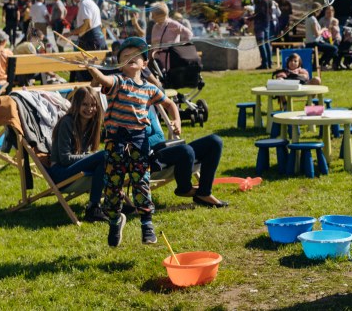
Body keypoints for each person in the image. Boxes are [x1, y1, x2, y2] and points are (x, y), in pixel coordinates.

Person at [84, 37, 180, 247]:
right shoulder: (118, 81)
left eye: (135, 56)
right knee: (112, 187)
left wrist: (176, 120)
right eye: (124, 57)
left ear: (144, 63)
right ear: (119, 64)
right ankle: (114, 220)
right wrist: (92, 68)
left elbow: (171, 104)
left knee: (141, 183)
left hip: (139, 142)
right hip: (115, 143)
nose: (129, 58)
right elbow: (104, 80)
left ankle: (147, 225)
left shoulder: (150, 89)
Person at [145, 107, 227, 207]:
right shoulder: (123, 107)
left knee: (215, 141)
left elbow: (169, 103)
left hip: (165, 148)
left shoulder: (147, 94)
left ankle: (204, 193)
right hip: (147, 157)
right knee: (186, 150)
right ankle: (185, 189)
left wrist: (177, 120)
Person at [50, 87, 109, 223]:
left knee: (102, 162)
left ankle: (95, 207)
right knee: (104, 155)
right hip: (60, 173)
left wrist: (92, 156)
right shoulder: (67, 123)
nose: (90, 109)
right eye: (85, 104)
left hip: (74, 168)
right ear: (76, 105)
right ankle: (108, 201)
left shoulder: (91, 124)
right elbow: (65, 159)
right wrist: (91, 156)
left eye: (93, 105)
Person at [65, 0, 106, 81]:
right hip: (96, 39)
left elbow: (88, 25)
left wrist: (71, 33)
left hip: (91, 42)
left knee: (88, 75)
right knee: (96, 74)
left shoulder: (84, 4)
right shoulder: (90, 3)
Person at [150, 2, 194, 71]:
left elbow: (189, 34)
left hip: (171, 60)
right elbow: (153, 44)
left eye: (153, 15)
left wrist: (181, 46)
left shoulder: (173, 24)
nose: (152, 17)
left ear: (161, 15)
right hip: (157, 61)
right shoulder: (155, 26)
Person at [304, 4, 338, 69]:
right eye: (320, 11)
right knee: (334, 48)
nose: (320, 12)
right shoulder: (313, 19)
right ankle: (322, 63)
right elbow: (317, 34)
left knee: (328, 48)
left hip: (310, 42)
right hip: (314, 42)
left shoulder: (308, 18)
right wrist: (323, 29)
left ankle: (317, 64)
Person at [251, 0, 276, 70]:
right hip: (267, 23)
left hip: (260, 23)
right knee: (267, 43)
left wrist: (250, 18)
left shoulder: (260, 0)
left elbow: (259, 13)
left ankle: (264, 63)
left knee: (261, 43)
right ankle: (269, 63)